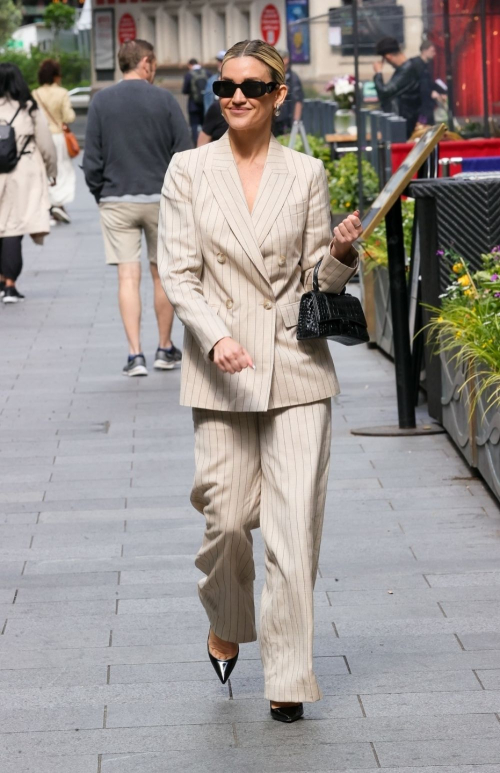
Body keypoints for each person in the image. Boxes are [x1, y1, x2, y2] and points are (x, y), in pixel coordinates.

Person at [158, 40, 362, 723]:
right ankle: (226, 618)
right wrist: (215, 335)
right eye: (225, 86)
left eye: (251, 85)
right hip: (220, 369)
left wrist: (338, 252)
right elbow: (179, 273)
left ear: (279, 95)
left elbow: (317, 281)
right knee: (224, 520)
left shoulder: (304, 174)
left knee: (292, 525)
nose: (236, 95)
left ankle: (287, 671)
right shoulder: (188, 170)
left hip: (296, 365)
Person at [83, 39, 192, 377]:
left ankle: (135, 355)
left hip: (117, 200)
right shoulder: (164, 100)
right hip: (162, 200)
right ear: (146, 63)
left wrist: (101, 192)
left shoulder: (101, 101)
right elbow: (185, 152)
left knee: (127, 276)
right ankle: (164, 347)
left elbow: (92, 160)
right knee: (163, 275)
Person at [0, 63, 57, 304]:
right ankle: (9, 284)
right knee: (14, 227)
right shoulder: (28, 108)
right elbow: (45, 143)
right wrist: (52, 171)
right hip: (23, 172)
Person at [33, 59, 76, 225]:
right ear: (56, 76)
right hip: (58, 136)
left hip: (40, 137)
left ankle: (49, 206)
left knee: (44, 171)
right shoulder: (62, 93)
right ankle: (59, 204)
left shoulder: (35, 93)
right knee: (62, 170)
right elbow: (69, 116)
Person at [373, 37, 421, 138]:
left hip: (403, 122)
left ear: (388, 57)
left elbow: (384, 91)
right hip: (402, 121)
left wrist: (378, 74)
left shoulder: (406, 70)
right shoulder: (404, 70)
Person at [273, 49, 304, 136]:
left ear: (286, 60)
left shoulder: (293, 78)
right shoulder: (272, 76)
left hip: (287, 121)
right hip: (273, 120)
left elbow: (298, 100)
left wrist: (296, 122)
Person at [182, 58, 209, 145]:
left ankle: (196, 143)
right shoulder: (207, 72)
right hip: (205, 103)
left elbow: (184, 90)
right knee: (206, 124)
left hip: (193, 105)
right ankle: (206, 143)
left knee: (194, 125)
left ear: (190, 65)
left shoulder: (188, 75)